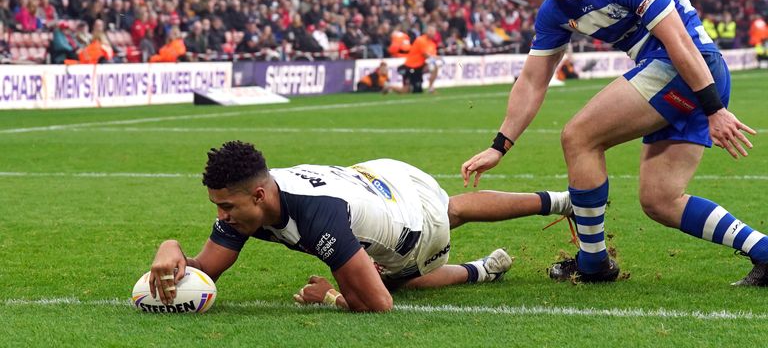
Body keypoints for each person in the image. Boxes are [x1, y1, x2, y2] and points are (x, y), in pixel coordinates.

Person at [461, 0, 761, 285]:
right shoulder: (556, 11)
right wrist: (500, 145)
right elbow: (532, 81)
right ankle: (764, 252)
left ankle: (594, 264)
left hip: (689, 67)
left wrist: (714, 108)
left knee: (579, 136)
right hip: (685, 78)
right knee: (660, 200)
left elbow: (678, 42)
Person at [148, 141, 573, 312]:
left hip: (417, 232)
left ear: (258, 196)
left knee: (398, 278)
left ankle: (482, 267)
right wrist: (170, 247)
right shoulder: (252, 194)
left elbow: (377, 304)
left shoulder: (317, 218)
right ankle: (559, 201)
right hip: (380, 177)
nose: (221, 216)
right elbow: (207, 270)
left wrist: (329, 296)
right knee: (455, 208)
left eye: (226, 207)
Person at [400, 25, 441, 94]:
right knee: (406, 91)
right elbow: (426, 55)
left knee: (435, 66)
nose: (431, 33)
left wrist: (436, 58)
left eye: (433, 31)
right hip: (411, 66)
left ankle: (430, 88)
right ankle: (389, 87)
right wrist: (437, 58)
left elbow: (432, 56)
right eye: (430, 30)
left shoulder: (432, 44)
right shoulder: (421, 40)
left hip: (420, 66)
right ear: (426, 31)